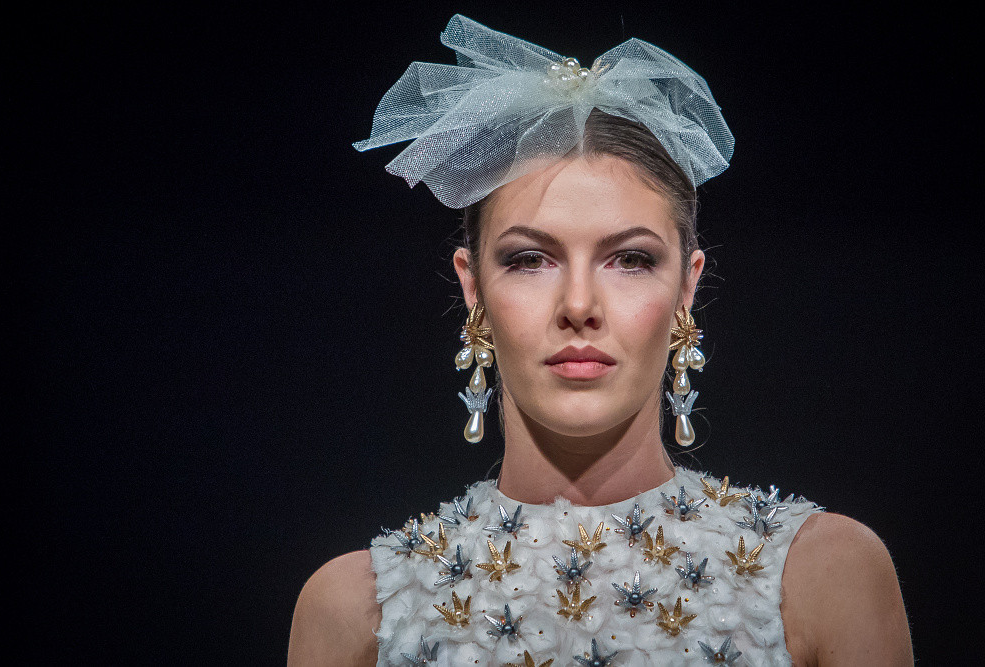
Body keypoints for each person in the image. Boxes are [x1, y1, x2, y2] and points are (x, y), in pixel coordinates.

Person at [288, 15, 912, 666]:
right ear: (473, 289)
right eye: (529, 259)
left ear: (686, 287)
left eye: (631, 260)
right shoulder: (353, 611)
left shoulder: (821, 578)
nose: (579, 306)